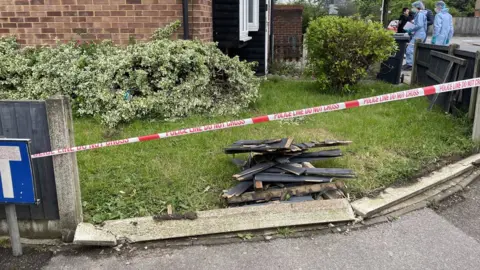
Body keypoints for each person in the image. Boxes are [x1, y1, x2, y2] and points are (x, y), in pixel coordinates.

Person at [403, 1, 428, 71]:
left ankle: (410, 64)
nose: (412, 9)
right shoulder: (420, 14)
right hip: (419, 34)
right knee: (413, 50)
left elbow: (419, 25)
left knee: (409, 49)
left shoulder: (420, 14)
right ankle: (410, 63)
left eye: (413, 7)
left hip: (419, 34)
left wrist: (410, 29)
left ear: (417, 7)